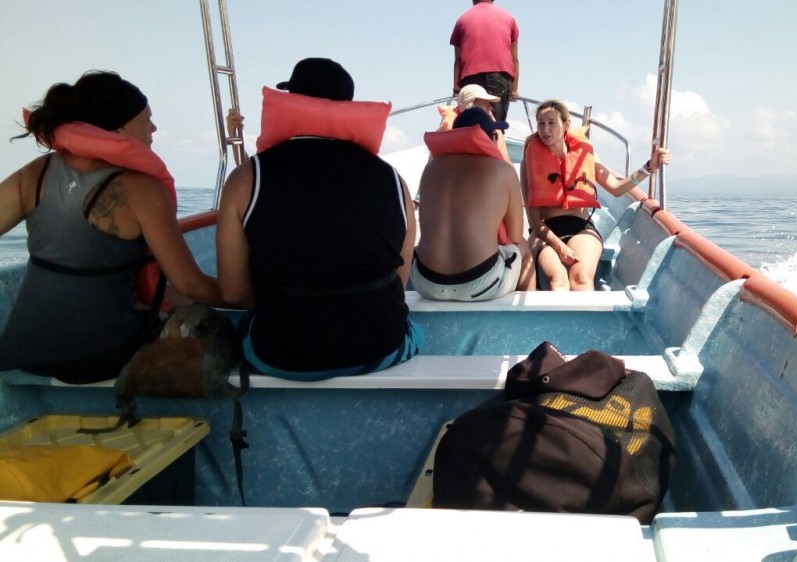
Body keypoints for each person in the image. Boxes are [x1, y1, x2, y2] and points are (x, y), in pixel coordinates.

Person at [0, 71, 224, 384]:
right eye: (147, 119)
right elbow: (191, 285)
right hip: (98, 356)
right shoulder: (142, 190)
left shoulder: (35, 174)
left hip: (25, 350)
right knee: (213, 327)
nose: (154, 128)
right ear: (119, 126)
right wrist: (249, 296)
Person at [216, 58, 422, 380]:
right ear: (346, 107)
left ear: (292, 101)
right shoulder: (394, 180)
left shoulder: (245, 178)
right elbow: (399, 278)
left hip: (279, 352)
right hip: (380, 346)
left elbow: (233, 294)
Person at [522, 99, 671, 291]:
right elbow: (534, 221)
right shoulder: (530, 160)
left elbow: (617, 188)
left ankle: (582, 321)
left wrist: (649, 167)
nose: (545, 129)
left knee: (581, 278)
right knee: (557, 280)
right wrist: (560, 247)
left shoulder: (584, 154)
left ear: (566, 124)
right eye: (541, 123)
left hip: (581, 229)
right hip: (544, 232)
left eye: (551, 122)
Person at [413, 107, 532, 301]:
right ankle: (528, 325)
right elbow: (515, 235)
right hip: (480, 283)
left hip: (425, 282)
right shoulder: (503, 171)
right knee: (523, 248)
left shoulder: (431, 168)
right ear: (493, 137)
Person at [451, 0, 519, 121]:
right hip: (499, 79)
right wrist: (514, 89)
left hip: (470, 80)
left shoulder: (461, 20)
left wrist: (457, 90)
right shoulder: (509, 18)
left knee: (471, 125)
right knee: (494, 127)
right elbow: (514, 58)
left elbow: (458, 60)